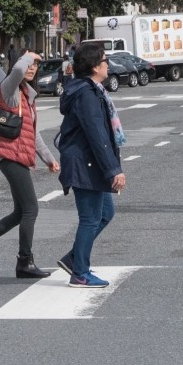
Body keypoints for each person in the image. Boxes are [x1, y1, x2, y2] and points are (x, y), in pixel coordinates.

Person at [0, 52, 61, 278]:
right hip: (9, 156)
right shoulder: (10, 88)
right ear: (19, 63)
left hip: (19, 156)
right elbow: (17, 71)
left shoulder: (26, 95)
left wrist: (49, 159)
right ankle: (25, 262)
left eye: (36, 65)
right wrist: (26, 57)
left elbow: (33, 135)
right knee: (31, 209)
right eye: (29, 64)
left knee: (20, 212)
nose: (32, 68)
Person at [55, 42, 126, 288]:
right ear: (95, 67)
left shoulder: (91, 90)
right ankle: (80, 273)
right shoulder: (86, 94)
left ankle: (75, 258)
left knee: (106, 213)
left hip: (88, 162)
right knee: (90, 218)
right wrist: (114, 170)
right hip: (83, 163)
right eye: (105, 60)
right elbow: (97, 135)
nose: (108, 64)